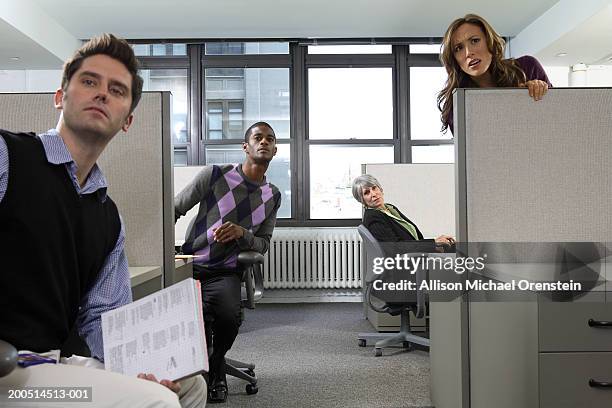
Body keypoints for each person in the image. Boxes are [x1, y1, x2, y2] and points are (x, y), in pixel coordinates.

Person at [0, 34, 205, 408]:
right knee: (158, 402)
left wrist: (141, 366)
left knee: (188, 385)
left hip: (52, 364)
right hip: (10, 369)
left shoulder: (107, 217)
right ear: (60, 97)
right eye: (89, 81)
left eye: (116, 89)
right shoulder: (8, 156)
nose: (102, 94)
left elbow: (102, 320)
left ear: (127, 120)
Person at [174, 122, 281, 403]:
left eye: (270, 139)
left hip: (225, 272)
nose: (264, 142)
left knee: (228, 318)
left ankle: (214, 364)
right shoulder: (215, 175)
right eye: (258, 138)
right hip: (190, 265)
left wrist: (242, 233)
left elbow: (263, 245)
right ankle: (209, 372)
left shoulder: (272, 195)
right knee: (180, 321)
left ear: (275, 150)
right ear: (245, 147)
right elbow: (173, 209)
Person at [438, 13, 552, 134]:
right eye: (458, 48)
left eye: (475, 41)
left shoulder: (527, 68)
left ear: (490, 42)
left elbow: (557, 119)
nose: (468, 52)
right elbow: (470, 150)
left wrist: (541, 92)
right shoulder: (457, 105)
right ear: (454, 59)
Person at [352, 174, 454, 252]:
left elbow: (408, 238)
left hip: (415, 254)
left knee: (455, 247)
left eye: (374, 188)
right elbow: (396, 247)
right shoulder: (373, 217)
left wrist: (435, 244)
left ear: (380, 189)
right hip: (405, 264)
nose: (373, 194)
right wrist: (433, 243)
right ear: (362, 200)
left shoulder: (389, 208)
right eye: (366, 193)